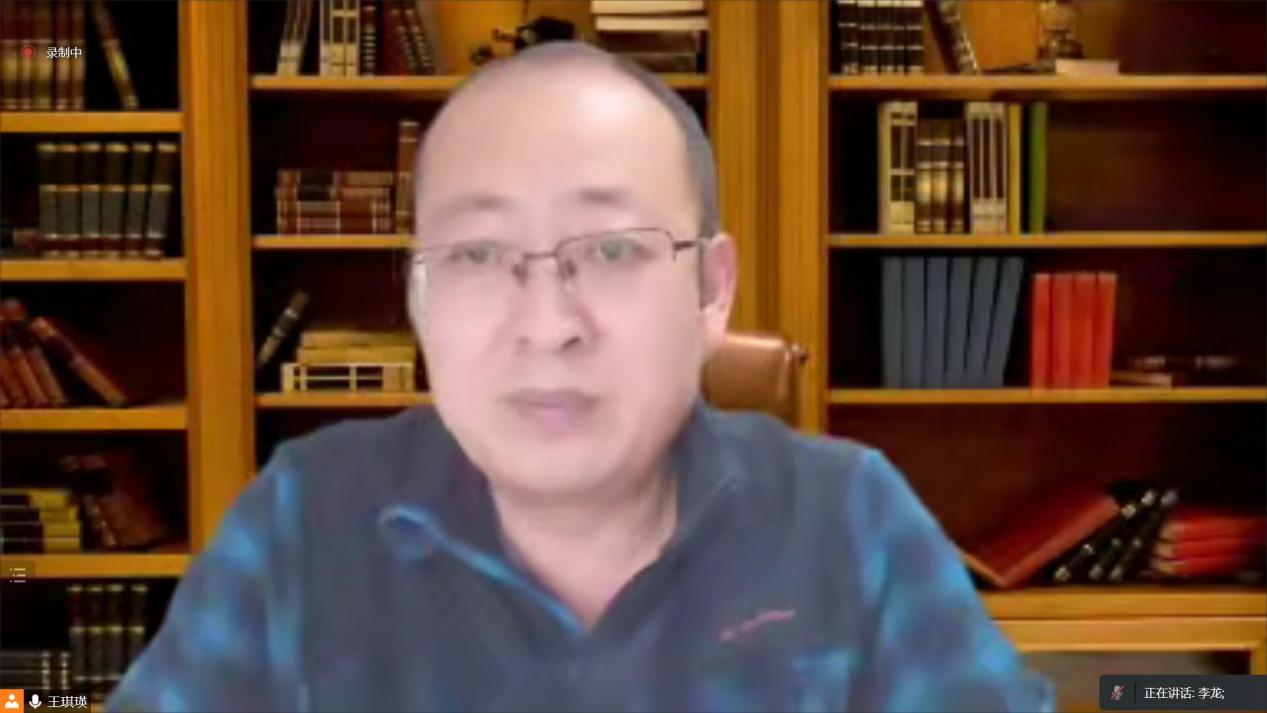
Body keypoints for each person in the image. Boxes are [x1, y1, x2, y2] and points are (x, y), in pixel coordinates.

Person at [108, 41, 1054, 712]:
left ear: (710, 289)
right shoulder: (302, 524)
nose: (548, 326)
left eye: (609, 249)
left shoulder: (849, 520)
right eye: (477, 255)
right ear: (419, 298)